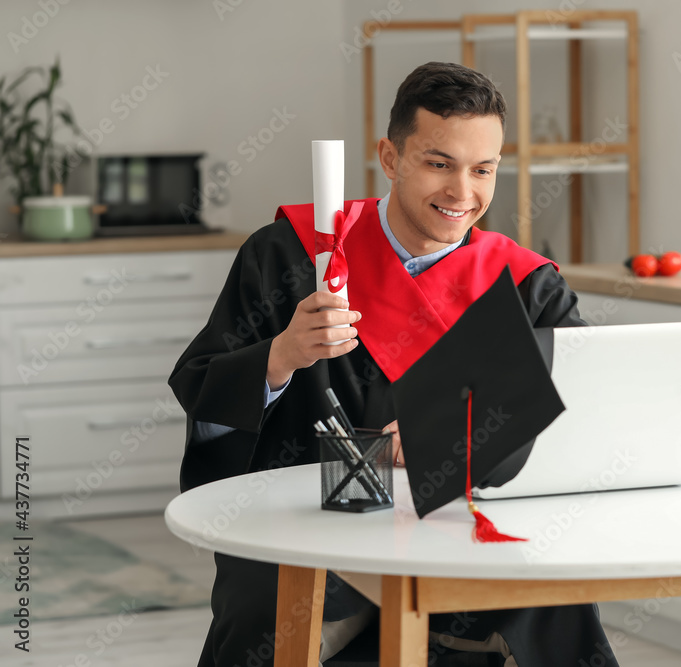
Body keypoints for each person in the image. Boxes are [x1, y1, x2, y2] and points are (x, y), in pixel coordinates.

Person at [169, 61, 620, 667]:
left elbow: (583, 409)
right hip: (314, 528)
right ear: (389, 157)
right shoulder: (288, 256)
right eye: (439, 163)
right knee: (271, 612)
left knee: (558, 602)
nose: (463, 194)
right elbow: (203, 387)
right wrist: (281, 355)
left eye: (482, 170)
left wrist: (460, 439)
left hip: (468, 529)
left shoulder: (525, 286)